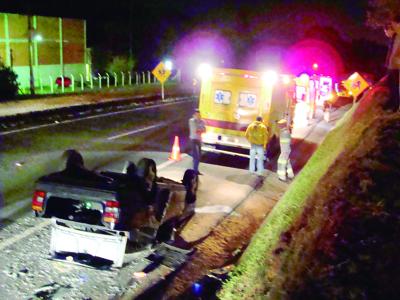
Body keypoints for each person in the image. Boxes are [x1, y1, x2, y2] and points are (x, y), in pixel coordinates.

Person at [384, 16, 400, 111]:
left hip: (395, 66)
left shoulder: (397, 36)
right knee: (392, 86)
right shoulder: (394, 38)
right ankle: (393, 104)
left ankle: (395, 105)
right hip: (393, 66)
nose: (386, 34)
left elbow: (394, 54)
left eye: (386, 31)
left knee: (394, 87)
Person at [189, 109, 206, 174]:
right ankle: (195, 171)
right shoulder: (191, 121)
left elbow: (204, 130)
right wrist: (200, 129)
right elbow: (195, 130)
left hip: (199, 140)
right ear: (194, 115)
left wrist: (200, 130)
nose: (198, 116)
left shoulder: (202, 121)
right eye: (196, 115)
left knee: (198, 156)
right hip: (193, 140)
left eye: (199, 115)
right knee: (196, 156)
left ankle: (195, 169)